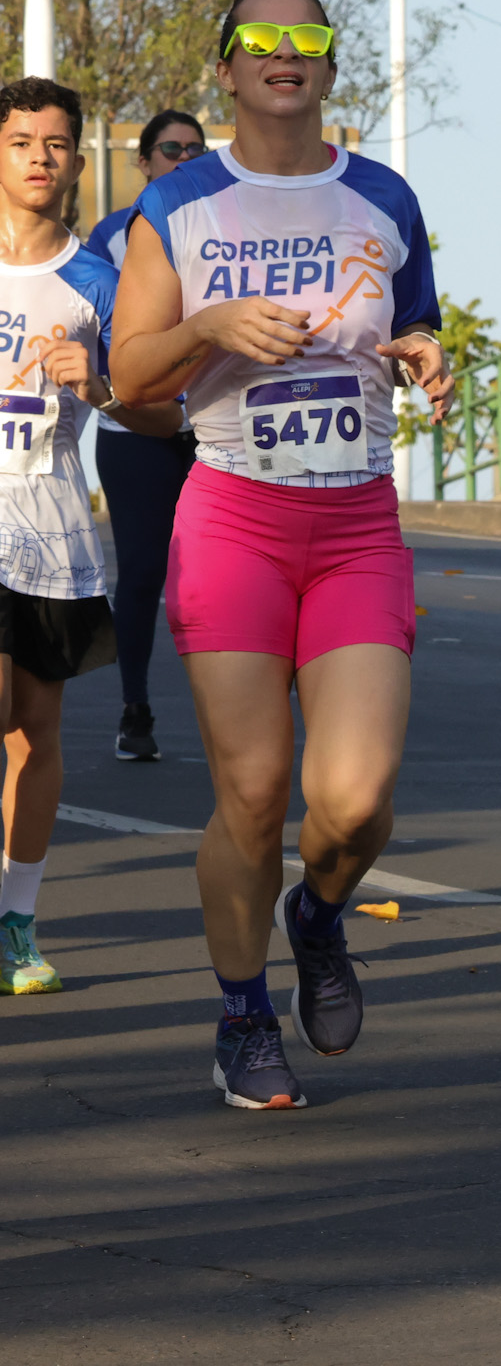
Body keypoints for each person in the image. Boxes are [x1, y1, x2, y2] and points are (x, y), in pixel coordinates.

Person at [110, 0, 453, 1111]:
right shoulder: (181, 201)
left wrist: (424, 356)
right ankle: (242, 1011)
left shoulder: (383, 193)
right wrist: (210, 326)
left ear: (327, 65)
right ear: (226, 70)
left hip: (355, 519)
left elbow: (416, 322)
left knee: (352, 802)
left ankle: (316, 914)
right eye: (257, 39)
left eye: (304, 35)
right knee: (254, 794)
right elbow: (127, 375)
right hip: (235, 516)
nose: (283, 53)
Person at [0, 79, 188, 996]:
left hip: (52, 526)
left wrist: (102, 387)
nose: (40, 157)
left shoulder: (99, 283)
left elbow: (166, 419)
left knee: (34, 734)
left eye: (57, 144)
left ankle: (16, 926)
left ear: (78, 160)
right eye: (21, 141)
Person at [84, 107, 207, 763]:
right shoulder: (110, 238)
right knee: (142, 573)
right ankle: (135, 708)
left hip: (216, 429)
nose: (183, 159)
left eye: (195, 148)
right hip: (135, 428)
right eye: (169, 149)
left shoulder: (229, 227)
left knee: (221, 580)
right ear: (144, 162)